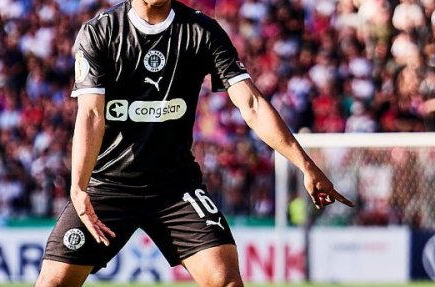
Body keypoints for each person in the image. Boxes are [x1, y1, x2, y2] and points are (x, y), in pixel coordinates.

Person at [35, 1, 354, 286]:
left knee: (226, 281)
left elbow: (252, 104)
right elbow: (91, 114)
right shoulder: (100, 32)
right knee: (53, 283)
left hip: (175, 188)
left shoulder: (202, 31)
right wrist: (78, 187)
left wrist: (306, 165)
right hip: (107, 187)